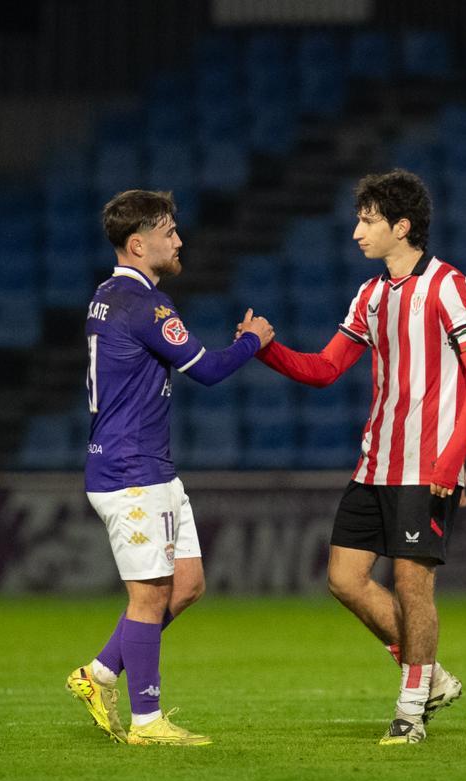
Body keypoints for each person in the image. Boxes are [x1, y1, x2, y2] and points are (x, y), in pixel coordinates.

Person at [252, 169, 466, 745]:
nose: (357, 229)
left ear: (402, 226)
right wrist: (268, 351)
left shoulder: (447, 286)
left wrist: (451, 460)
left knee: (414, 589)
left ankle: (410, 713)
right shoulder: (369, 294)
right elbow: (326, 367)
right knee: (343, 579)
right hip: (375, 464)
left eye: (368, 219)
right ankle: (430, 675)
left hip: (427, 467)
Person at [66, 189, 274, 747]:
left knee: (186, 584)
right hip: (132, 472)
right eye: (168, 232)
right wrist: (253, 341)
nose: (179, 240)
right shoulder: (144, 305)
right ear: (139, 244)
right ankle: (147, 721)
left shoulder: (108, 296)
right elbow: (206, 370)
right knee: (149, 595)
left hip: (148, 467)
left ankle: (100, 674)